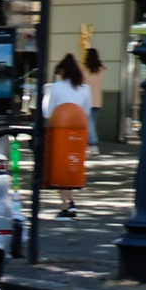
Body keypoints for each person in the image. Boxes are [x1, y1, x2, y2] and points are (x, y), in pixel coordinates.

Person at [42, 54, 92, 217]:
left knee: (60, 167)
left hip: (59, 131)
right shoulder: (85, 89)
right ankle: (70, 202)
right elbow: (87, 112)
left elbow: (48, 112)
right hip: (79, 131)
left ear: (63, 71)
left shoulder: (56, 87)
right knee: (73, 167)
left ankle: (66, 205)